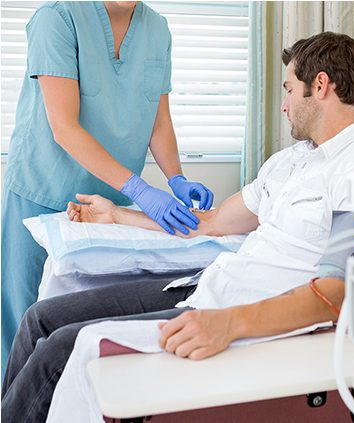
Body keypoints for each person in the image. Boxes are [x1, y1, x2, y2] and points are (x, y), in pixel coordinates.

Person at [2, 31, 354, 422]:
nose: (284, 106)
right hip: (211, 284)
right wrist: (118, 215)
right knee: (40, 318)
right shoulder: (291, 162)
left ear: (319, 85)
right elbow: (215, 222)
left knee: (57, 352)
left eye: (289, 89)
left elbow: (333, 293)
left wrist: (230, 323)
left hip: (239, 310)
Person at [1, 1, 214, 378]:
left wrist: (176, 178)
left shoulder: (157, 30)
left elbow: (158, 119)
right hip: (42, 190)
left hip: (107, 203)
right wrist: (141, 189)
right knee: (25, 325)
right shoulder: (58, 18)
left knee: (80, 325)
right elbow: (64, 127)